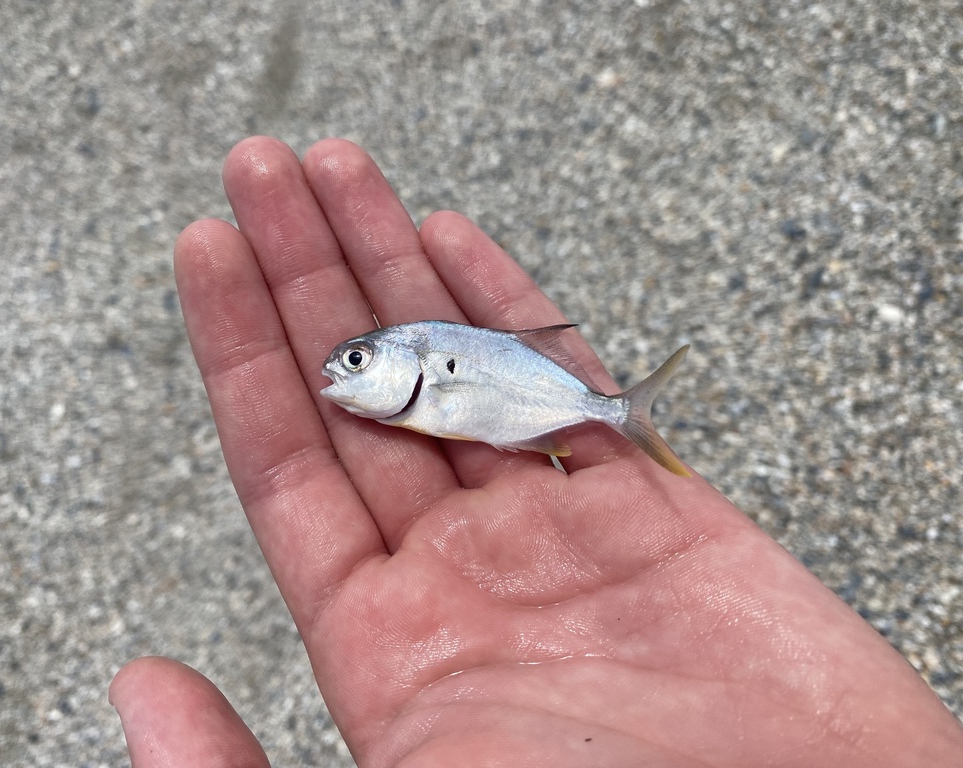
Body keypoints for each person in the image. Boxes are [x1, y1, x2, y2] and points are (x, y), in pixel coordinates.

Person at [109, 137, 963, 767]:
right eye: (352, 363)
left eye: (357, 361)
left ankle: (623, 414)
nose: (342, 374)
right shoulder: (422, 380)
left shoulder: (435, 369)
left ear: (407, 361)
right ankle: (620, 414)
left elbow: (470, 391)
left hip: (510, 402)